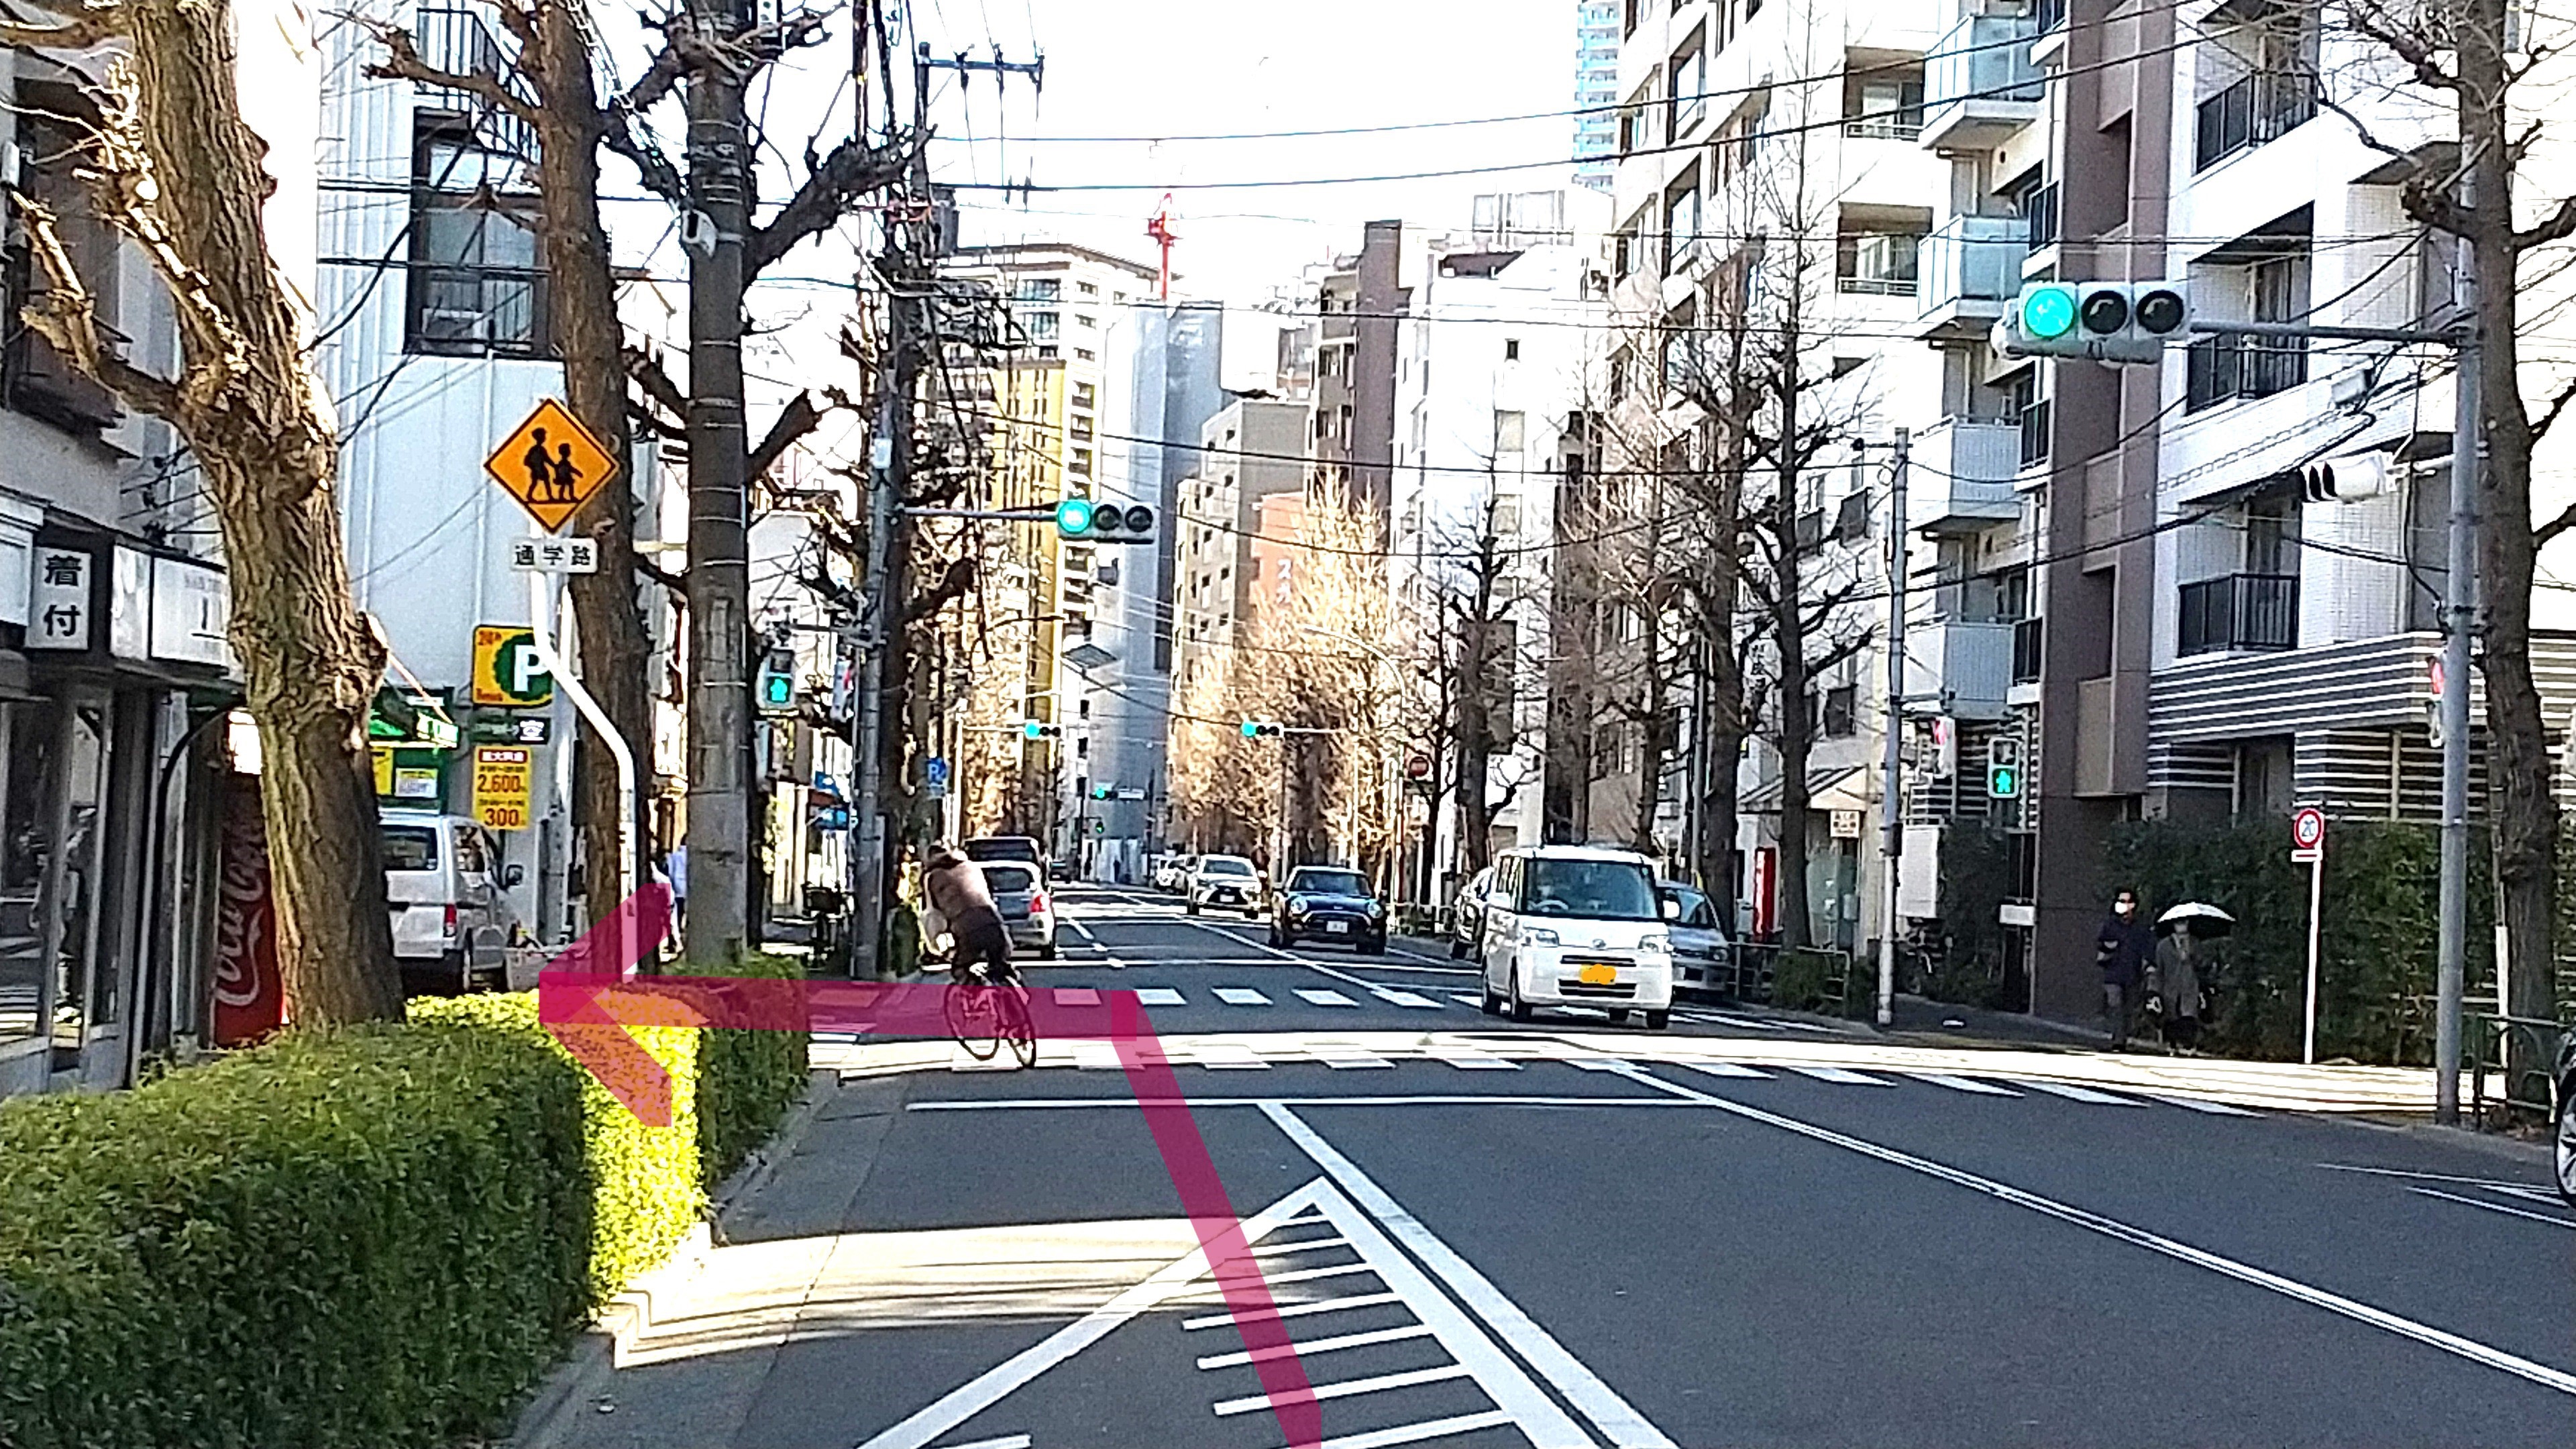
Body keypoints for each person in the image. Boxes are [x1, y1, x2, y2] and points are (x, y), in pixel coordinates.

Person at [924, 845, 1015, 985]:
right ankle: (1017, 992)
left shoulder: (933, 877)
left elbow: (933, 914)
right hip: (995, 923)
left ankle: (979, 995)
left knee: (961, 969)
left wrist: (937, 941)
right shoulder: (972, 867)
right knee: (1000, 966)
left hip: (967, 929)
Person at [2094, 888, 2154, 1051]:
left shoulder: (2140, 928)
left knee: (2128, 1008)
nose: (2124, 905)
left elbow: (2147, 949)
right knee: (2116, 1005)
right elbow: (2101, 944)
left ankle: (2123, 1037)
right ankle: (2117, 1040)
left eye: (2128, 902)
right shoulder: (2110, 925)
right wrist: (2108, 948)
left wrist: (2148, 966)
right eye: (2121, 901)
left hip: (2133, 974)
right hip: (2113, 973)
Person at [2153, 918, 2206, 1053]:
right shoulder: (2164, 945)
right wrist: (2156, 990)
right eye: (2178, 923)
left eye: (2184, 922)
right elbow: (2159, 969)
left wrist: (2191, 957)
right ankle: (2172, 1043)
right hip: (2170, 985)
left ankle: (2189, 1044)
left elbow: (2202, 964)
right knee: (2171, 1016)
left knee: (2189, 1015)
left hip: (2190, 984)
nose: (2181, 926)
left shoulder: (2195, 943)